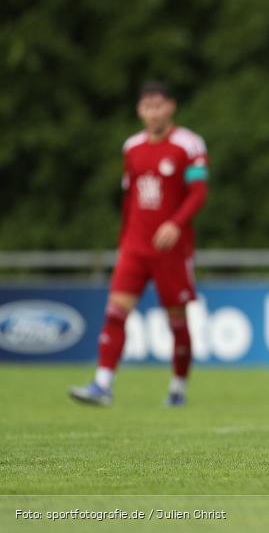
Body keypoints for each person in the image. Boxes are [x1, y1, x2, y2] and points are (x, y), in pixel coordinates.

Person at [70, 81, 209, 407]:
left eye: (159, 105)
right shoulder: (131, 147)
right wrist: (123, 241)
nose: (154, 112)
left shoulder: (188, 145)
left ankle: (177, 386)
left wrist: (175, 224)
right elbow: (130, 199)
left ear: (171, 106)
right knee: (115, 312)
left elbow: (199, 192)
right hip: (135, 246)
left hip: (171, 250)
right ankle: (102, 384)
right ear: (139, 110)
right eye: (148, 106)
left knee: (176, 320)